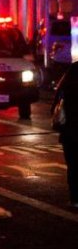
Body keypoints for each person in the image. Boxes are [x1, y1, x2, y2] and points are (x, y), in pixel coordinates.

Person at [52, 61, 78, 206]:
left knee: (73, 166)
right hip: (71, 132)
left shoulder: (66, 86)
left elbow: (55, 109)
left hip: (70, 133)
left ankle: (75, 198)